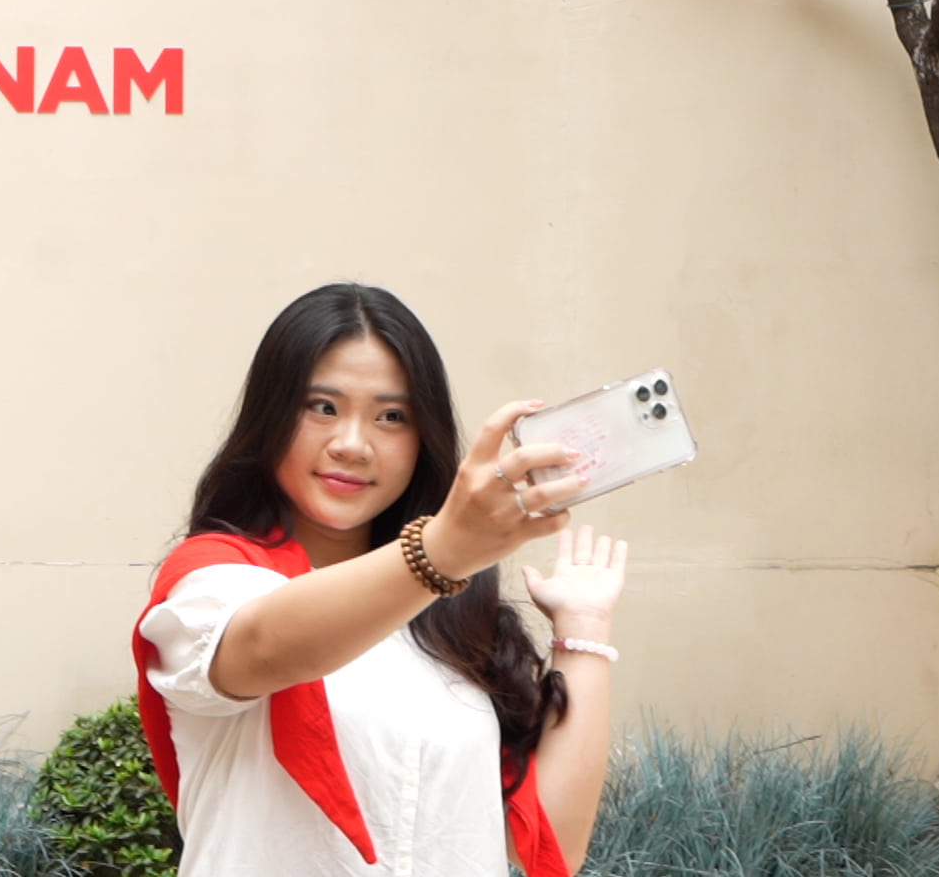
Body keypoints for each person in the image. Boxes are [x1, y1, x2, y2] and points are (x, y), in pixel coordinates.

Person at [132, 283, 629, 877]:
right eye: (322, 407)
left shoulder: (455, 623)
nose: (352, 445)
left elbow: (545, 846)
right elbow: (263, 647)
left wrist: (584, 630)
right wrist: (444, 550)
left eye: (391, 417)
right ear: (269, 417)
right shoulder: (216, 578)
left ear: (423, 440)